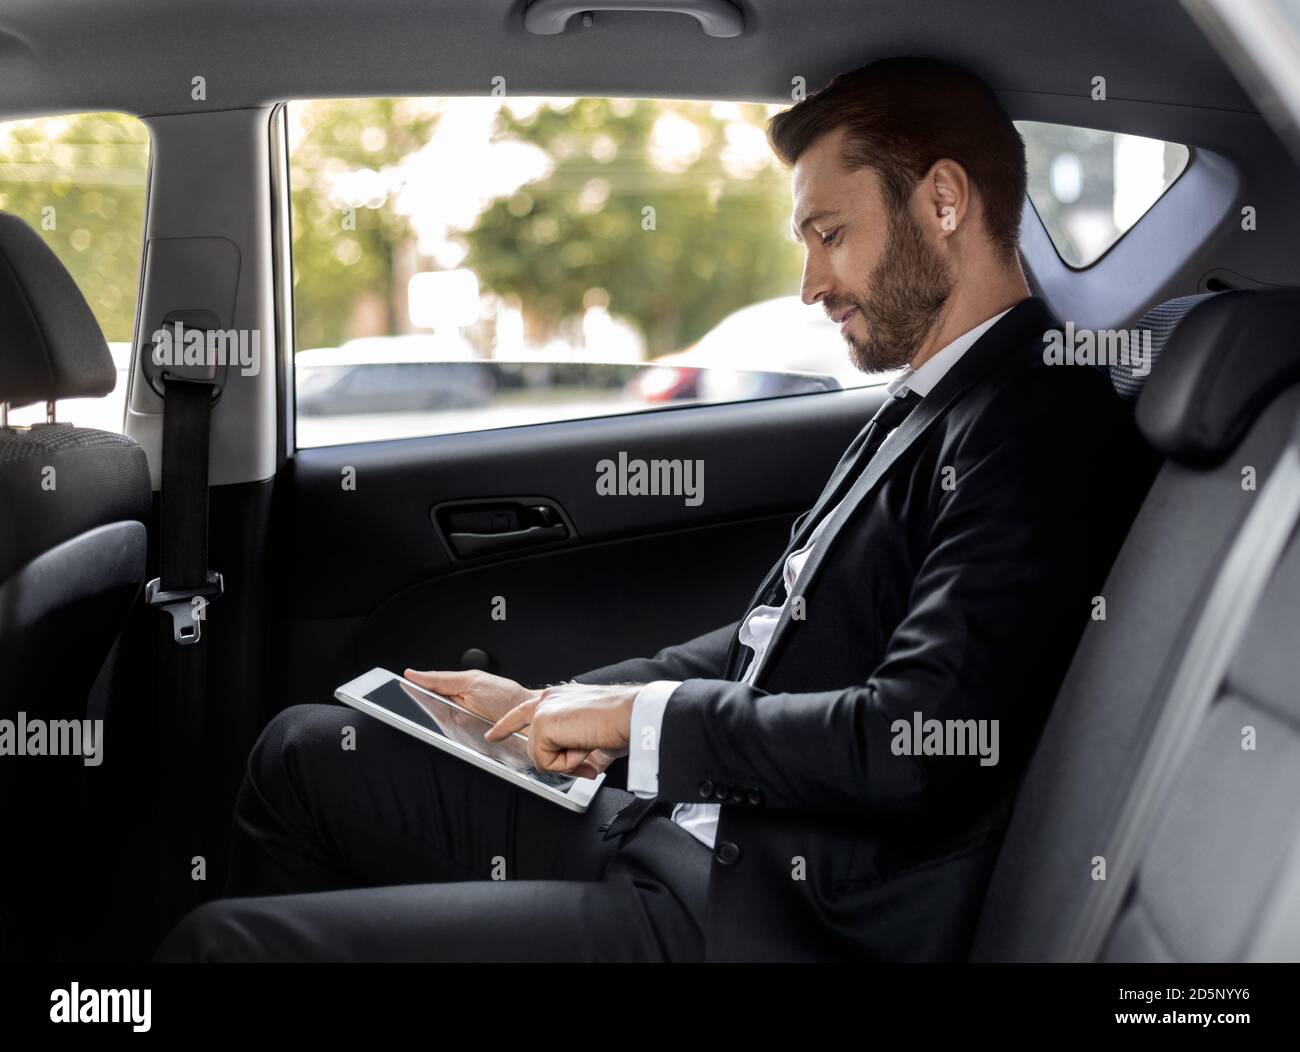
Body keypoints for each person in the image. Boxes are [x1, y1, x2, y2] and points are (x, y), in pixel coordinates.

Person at [156, 57, 1141, 962]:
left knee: (221, 945)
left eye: (828, 234)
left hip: (765, 916)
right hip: (687, 824)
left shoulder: (1034, 420)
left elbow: (914, 739)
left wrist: (631, 720)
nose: (810, 285)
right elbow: (766, 637)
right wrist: (552, 705)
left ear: (942, 199)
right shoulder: (932, 399)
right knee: (300, 751)